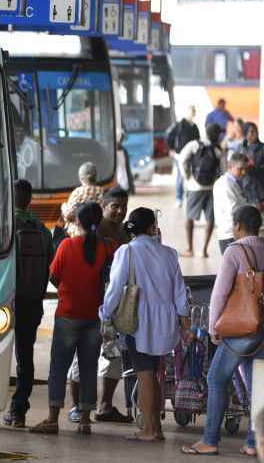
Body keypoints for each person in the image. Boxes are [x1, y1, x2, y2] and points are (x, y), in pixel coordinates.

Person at [101, 207, 191, 443]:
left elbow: (115, 287)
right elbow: (180, 291)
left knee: (144, 375)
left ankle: (149, 430)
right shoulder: (169, 253)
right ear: (152, 228)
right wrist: (184, 323)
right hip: (166, 321)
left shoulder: (127, 251)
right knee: (154, 373)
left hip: (139, 321)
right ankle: (157, 428)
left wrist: (106, 313)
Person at [182, 205, 264, 457]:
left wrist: (212, 327)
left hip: (240, 329)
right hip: (262, 326)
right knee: (258, 386)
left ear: (238, 225)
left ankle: (209, 440)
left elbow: (219, 293)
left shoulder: (235, 251)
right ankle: (254, 443)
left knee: (216, 378)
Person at [30, 202, 116, 436]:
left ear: (77, 221)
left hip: (68, 315)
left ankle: (52, 419)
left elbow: (54, 277)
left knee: (59, 368)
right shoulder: (109, 248)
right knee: (89, 368)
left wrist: (68, 290)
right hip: (95, 317)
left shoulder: (67, 245)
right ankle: (85, 422)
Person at [66, 187, 132, 424]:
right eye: (115, 206)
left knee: (114, 357)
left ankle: (105, 406)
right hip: (89, 306)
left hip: (115, 306)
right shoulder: (92, 230)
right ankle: (75, 406)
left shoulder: (125, 233)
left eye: (123, 206)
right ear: (104, 207)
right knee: (81, 358)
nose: (120, 211)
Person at [0, 179, 54, 429]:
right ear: (30, 199)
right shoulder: (42, 229)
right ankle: (18, 411)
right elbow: (51, 268)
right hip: (31, 301)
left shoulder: (3, 225)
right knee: (25, 357)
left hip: (2, 302)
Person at [179, 122, 225, 258]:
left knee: (189, 217)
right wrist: (215, 182)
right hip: (211, 187)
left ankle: (190, 248)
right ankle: (204, 250)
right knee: (210, 218)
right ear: (217, 135)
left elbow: (182, 159)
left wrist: (187, 176)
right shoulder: (217, 150)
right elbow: (223, 170)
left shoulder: (194, 144)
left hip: (195, 186)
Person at [214, 153, 256, 253]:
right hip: (230, 234)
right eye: (240, 169)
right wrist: (253, 208)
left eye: (245, 169)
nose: (244, 172)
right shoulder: (224, 184)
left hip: (237, 231)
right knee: (233, 266)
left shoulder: (234, 181)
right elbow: (233, 210)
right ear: (230, 167)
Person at [167, 105, 201, 207]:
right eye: (191, 111)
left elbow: (198, 140)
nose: (193, 113)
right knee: (180, 177)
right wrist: (172, 148)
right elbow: (169, 136)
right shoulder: (180, 124)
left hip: (192, 156)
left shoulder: (194, 127)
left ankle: (189, 197)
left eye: (194, 111)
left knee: (191, 176)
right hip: (180, 155)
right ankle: (179, 198)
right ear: (187, 112)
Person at [61, 162, 103, 238]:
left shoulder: (77, 192)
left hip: (78, 235)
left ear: (81, 178)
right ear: (95, 176)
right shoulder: (102, 192)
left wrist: (63, 207)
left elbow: (69, 215)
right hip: (98, 234)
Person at [240, 122, 264, 205]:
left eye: (256, 131)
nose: (255, 133)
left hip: (259, 188)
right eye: (251, 131)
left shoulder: (262, 148)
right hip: (244, 187)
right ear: (245, 133)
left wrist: (256, 167)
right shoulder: (241, 148)